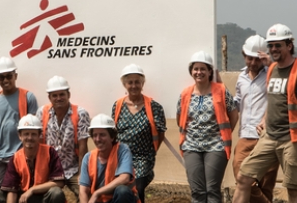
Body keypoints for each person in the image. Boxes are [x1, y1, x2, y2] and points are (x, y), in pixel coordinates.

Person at [234, 24, 297, 203]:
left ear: (289, 45)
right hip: (269, 137)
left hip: (293, 140)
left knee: (293, 189)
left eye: (278, 45)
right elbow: (274, 100)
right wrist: (265, 119)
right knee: (244, 178)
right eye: (271, 45)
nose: (273, 49)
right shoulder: (272, 70)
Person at [177, 51, 238, 203]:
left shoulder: (221, 91)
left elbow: (234, 115)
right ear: (191, 71)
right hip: (191, 146)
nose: (199, 72)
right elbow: (181, 118)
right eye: (196, 69)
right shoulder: (185, 94)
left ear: (210, 71)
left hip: (216, 146)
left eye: (203, 68)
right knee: (197, 191)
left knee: (212, 190)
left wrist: (224, 135)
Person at [0, 57, 40, 197]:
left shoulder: (28, 97)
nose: (5, 80)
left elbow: (34, 128)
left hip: (20, 154)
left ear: (15, 76)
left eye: (9, 76)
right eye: (1, 77)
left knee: (22, 191)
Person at [111, 64, 166, 203]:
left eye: (137, 82)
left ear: (143, 83)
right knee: (120, 191)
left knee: (138, 189)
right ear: (125, 84)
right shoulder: (117, 106)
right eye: (130, 82)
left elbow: (160, 133)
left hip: (143, 157)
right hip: (121, 157)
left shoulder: (154, 107)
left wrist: (151, 152)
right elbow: (113, 132)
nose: (134, 86)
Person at [233, 35, 276, 203]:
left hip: (268, 137)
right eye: (249, 58)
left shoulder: (272, 75)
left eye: (257, 59)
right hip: (245, 136)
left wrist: (270, 64)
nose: (253, 63)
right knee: (242, 177)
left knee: (266, 185)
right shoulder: (241, 78)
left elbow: (283, 90)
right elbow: (237, 102)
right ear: (244, 56)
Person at [0, 115, 66, 203]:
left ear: (39, 135)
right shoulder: (16, 158)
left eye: (33, 134)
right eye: (26, 134)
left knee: (56, 192)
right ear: (20, 136)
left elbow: (59, 183)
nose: (29, 138)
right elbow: (12, 189)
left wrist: (32, 190)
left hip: (43, 197)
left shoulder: (50, 152)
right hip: (23, 198)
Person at [39, 75, 90, 199]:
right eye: (54, 95)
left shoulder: (80, 113)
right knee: (52, 195)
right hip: (51, 170)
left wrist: (81, 174)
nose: (58, 98)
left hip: (73, 168)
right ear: (49, 97)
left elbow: (83, 147)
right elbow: (40, 144)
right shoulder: (42, 113)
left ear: (68, 94)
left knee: (87, 194)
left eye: (62, 94)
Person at [79, 114, 138, 203]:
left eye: (102, 135)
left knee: (122, 191)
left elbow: (124, 178)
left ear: (112, 137)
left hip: (117, 200)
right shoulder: (88, 158)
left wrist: (97, 193)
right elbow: (83, 190)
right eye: (95, 135)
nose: (98, 139)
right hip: (99, 201)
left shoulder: (122, 150)